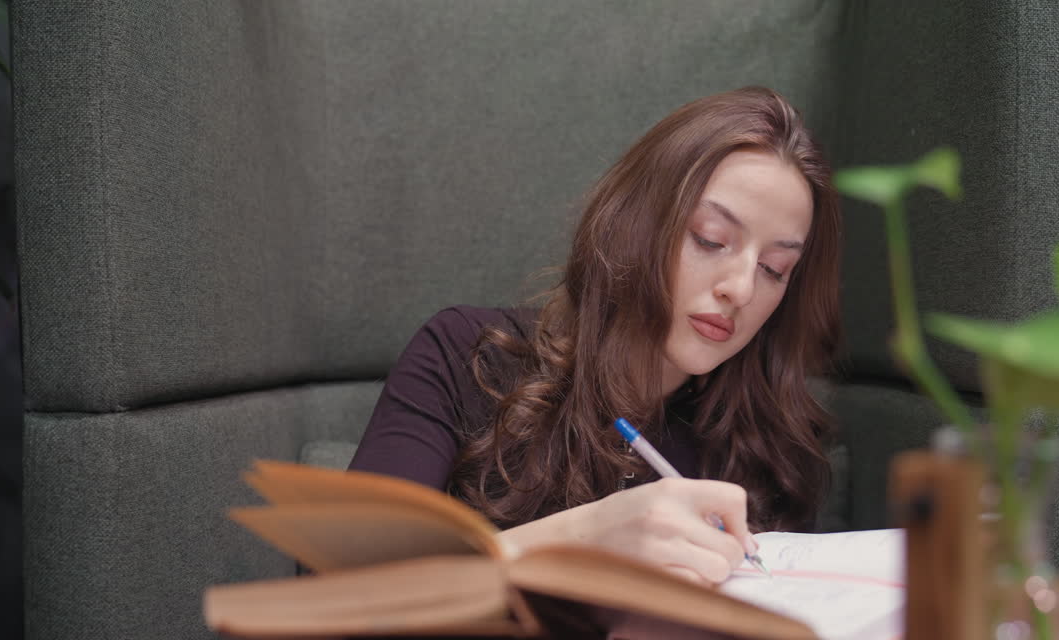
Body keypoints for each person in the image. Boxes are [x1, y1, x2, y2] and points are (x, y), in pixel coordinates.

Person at [349, 86, 841, 585]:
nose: (739, 289)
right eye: (709, 239)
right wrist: (585, 536)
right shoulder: (467, 357)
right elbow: (343, 586)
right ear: (637, 223)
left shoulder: (772, 451)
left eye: (775, 269)